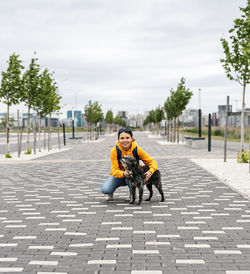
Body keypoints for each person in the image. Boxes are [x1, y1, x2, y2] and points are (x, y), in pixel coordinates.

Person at [100, 128, 158, 200]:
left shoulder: (137, 149)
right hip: (120, 175)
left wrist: (150, 171)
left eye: (127, 138)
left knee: (132, 176)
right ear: (118, 140)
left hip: (133, 175)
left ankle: (132, 194)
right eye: (122, 138)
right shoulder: (115, 151)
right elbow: (113, 170)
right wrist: (123, 173)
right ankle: (111, 191)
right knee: (105, 189)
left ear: (132, 138)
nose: (125, 141)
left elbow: (152, 161)